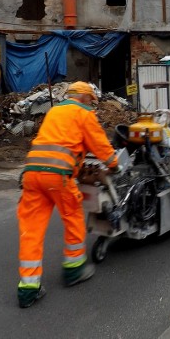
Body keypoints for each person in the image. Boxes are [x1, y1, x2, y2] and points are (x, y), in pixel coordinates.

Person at [16, 81, 119, 309]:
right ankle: (73, 270)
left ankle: (28, 288)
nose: (92, 107)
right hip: (59, 176)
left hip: (32, 174)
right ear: (84, 99)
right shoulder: (83, 114)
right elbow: (100, 145)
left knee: (31, 231)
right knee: (73, 218)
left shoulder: (54, 112)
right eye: (91, 102)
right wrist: (114, 165)